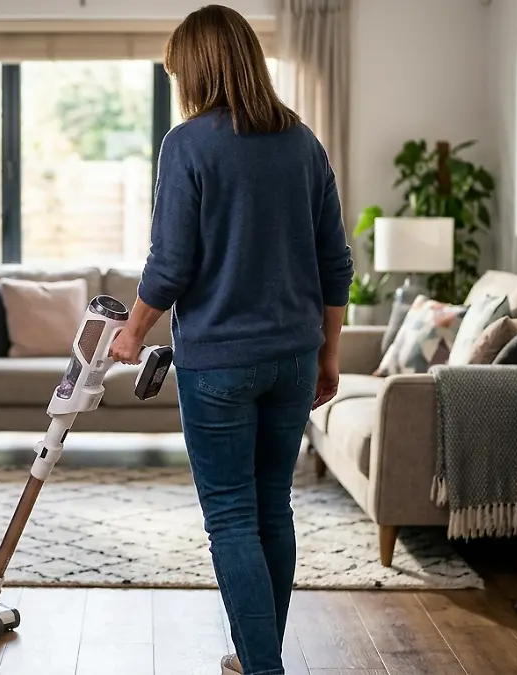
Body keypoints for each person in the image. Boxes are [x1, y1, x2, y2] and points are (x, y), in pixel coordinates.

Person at [106, 5, 354, 675]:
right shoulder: (303, 142)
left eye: (179, 70)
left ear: (200, 69)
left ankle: (263, 666)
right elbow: (336, 261)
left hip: (218, 362)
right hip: (294, 357)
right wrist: (329, 352)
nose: (178, 82)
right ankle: (257, 656)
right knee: (272, 504)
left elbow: (171, 262)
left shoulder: (187, 144)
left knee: (231, 516)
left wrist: (131, 333)